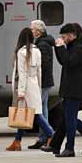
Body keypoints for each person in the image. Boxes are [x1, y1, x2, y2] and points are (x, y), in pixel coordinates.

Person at [53, 23, 82, 157]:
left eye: (64, 36)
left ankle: (70, 148)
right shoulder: (72, 47)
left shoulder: (79, 48)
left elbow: (68, 61)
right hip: (69, 88)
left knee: (71, 119)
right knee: (70, 118)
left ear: (72, 35)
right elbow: (63, 61)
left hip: (75, 89)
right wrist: (58, 47)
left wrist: (61, 47)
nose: (63, 38)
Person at [7, 28, 56, 151]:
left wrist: (21, 91)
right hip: (34, 84)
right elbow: (39, 71)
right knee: (24, 114)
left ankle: (51, 134)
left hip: (25, 85)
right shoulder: (37, 51)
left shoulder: (21, 52)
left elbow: (22, 74)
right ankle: (17, 141)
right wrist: (38, 87)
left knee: (33, 114)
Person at [29, 19, 55, 150]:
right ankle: (43, 137)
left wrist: (36, 77)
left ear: (38, 31)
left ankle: (48, 135)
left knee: (39, 109)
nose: (31, 31)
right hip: (45, 80)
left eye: (33, 29)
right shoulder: (44, 42)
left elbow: (43, 63)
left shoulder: (42, 44)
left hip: (42, 81)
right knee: (42, 108)